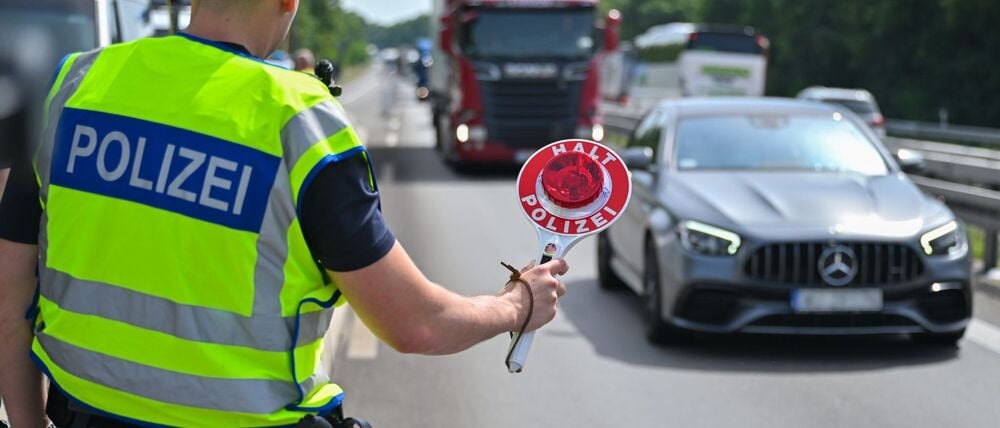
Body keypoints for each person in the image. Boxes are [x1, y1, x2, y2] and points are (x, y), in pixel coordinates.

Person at [0, 0, 569, 427]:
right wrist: (515, 305)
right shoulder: (301, 123)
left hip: (87, 414)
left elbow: (8, 300)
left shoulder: (73, 86)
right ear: (288, 4)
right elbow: (416, 324)